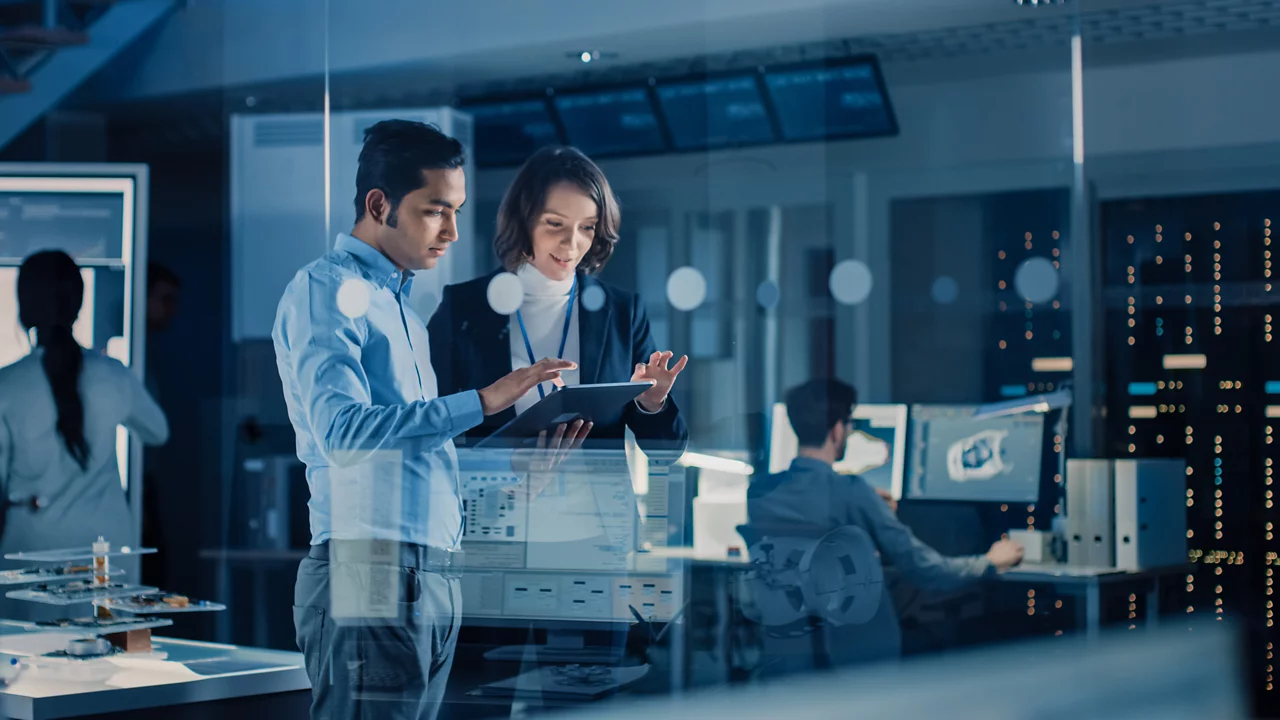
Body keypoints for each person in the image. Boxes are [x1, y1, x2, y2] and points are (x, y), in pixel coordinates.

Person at [273, 120, 572, 720]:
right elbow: (344, 434)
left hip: (431, 573)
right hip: (369, 570)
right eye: (436, 211)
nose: (452, 232)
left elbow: (411, 452)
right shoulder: (324, 291)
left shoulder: (403, 308)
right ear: (379, 205)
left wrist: (514, 476)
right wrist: (483, 401)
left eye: (456, 211)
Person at [746, 378, 1023, 675]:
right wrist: (989, 562)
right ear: (838, 429)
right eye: (850, 424)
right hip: (859, 659)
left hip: (790, 653)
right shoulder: (851, 492)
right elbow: (925, 569)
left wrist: (866, 510)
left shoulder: (760, 492)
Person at [428, 146, 688, 455]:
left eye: (587, 227)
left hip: (598, 501)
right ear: (524, 220)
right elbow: (430, 427)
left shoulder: (622, 312)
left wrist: (652, 403)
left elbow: (667, 452)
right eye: (555, 224)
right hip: (497, 499)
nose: (572, 242)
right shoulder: (463, 307)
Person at [0, 250, 169, 617]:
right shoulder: (112, 374)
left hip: (30, 547)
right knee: (108, 656)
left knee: (28, 661)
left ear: (24, 307)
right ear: (77, 305)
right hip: (105, 549)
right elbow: (157, 431)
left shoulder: (7, 384)